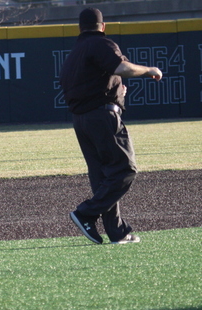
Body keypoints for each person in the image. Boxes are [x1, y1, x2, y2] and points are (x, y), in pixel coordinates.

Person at [59, 8, 162, 245]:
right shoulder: (100, 43)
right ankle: (86, 213)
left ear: (79, 28)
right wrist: (149, 70)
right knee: (125, 169)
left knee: (103, 177)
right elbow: (122, 68)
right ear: (102, 26)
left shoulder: (74, 53)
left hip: (81, 120)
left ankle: (117, 232)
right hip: (102, 118)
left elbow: (84, 85)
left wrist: (117, 92)